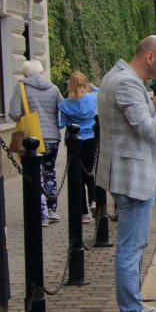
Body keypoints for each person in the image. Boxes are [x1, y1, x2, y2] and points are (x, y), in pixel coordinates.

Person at [98, 36, 156, 312]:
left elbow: (143, 115)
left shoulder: (121, 77)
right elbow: (149, 131)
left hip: (126, 172)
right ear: (150, 57)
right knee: (131, 247)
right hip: (131, 175)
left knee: (134, 244)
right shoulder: (126, 83)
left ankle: (132, 304)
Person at [9, 59, 63, 224]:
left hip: (32, 138)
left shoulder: (21, 87)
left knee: (35, 174)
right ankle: (53, 209)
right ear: (41, 73)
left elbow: (15, 112)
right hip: (52, 137)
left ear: (25, 74)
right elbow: (62, 108)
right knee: (50, 172)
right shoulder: (53, 88)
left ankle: (42, 214)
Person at [57, 71, 98, 223]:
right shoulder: (93, 98)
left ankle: (83, 213)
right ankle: (94, 201)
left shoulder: (65, 104)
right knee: (91, 172)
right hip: (91, 139)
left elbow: (60, 124)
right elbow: (103, 93)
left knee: (77, 178)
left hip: (74, 142)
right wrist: (93, 88)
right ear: (85, 84)